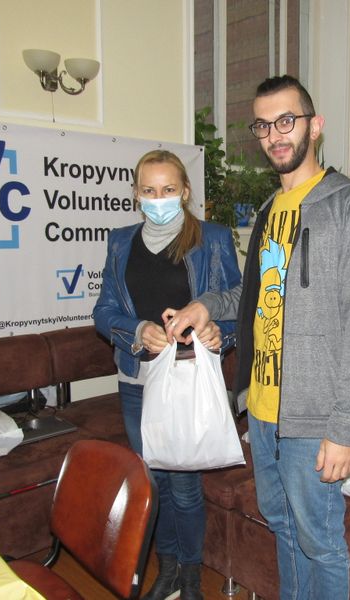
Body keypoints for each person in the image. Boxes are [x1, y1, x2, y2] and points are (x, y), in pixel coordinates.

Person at [163, 75, 350, 600]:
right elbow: (256, 293)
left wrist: (344, 426)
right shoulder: (269, 210)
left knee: (321, 542)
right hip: (263, 409)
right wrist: (204, 305)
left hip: (315, 415)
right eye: (263, 126)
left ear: (315, 125)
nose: (274, 135)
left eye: (286, 121)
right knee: (283, 527)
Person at [93, 149, 241, 600]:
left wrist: (219, 333)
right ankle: (167, 568)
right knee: (152, 484)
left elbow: (239, 300)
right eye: (149, 190)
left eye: (169, 189)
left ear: (186, 191)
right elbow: (104, 311)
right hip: (137, 381)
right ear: (136, 194)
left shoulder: (213, 238)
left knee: (186, 487)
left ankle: (190, 575)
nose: (159, 199)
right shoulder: (120, 242)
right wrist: (137, 330)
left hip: (189, 381)